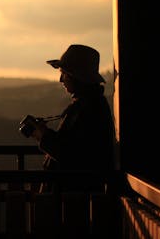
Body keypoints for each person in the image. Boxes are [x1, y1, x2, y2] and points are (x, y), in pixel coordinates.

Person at [28, 44, 115, 193]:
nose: (61, 79)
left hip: (74, 198)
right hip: (73, 195)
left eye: (64, 74)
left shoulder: (88, 108)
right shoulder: (90, 104)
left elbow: (72, 156)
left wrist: (44, 136)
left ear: (76, 77)